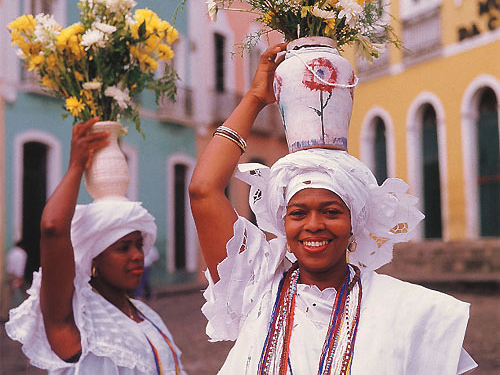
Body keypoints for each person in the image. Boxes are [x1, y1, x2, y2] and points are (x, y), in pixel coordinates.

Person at [189, 43, 477, 374]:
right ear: (283, 222)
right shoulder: (256, 288)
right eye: (298, 213)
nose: (314, 224)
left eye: (331, 211)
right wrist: (254, 98)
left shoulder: (410, 312)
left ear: (355, 222)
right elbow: (203, 191)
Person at [6, 118, 185, 374]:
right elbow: (54, 228)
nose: (137, 256)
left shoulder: (146, 315)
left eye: (138, 244)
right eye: (123, 248)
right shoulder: (77, 321)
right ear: (94, 258)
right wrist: (77, 165)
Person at [1, 240, 28, 320]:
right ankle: (31, 311)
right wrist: (20, 278)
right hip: (17, 275)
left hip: (9, 274)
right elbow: (21, 265)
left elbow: (8, 264)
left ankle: (3, 315)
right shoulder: (22, 253)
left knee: (7, 295)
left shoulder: (11, 252)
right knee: (27, 292)